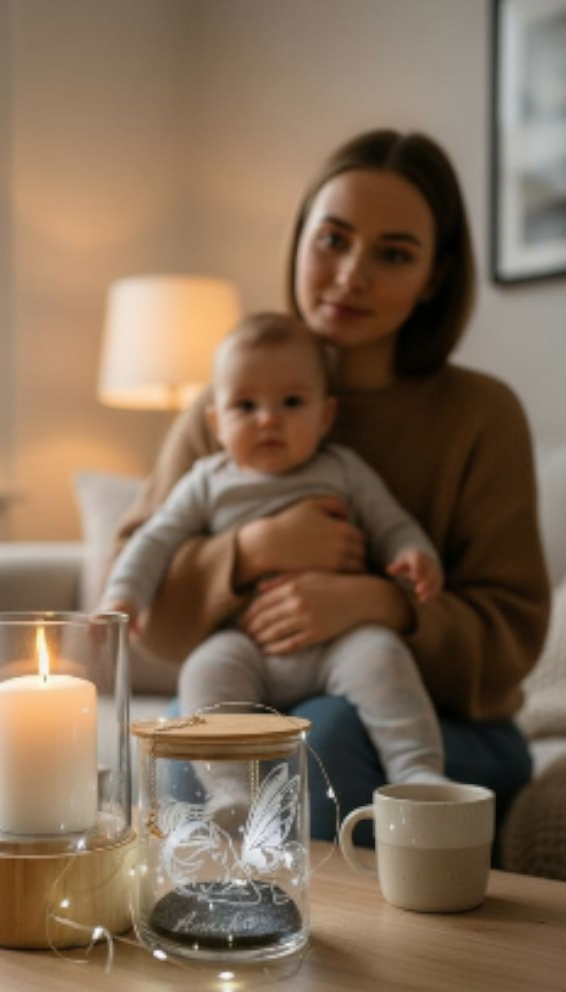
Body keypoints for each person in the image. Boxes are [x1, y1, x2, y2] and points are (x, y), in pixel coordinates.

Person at [111, 129, 550, 849]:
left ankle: (331, 953)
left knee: (319, 735)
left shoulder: (480, 416)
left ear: (434, 277)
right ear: (299, 241)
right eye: (333, 240)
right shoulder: (223, 410)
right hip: (264, 688)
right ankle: (212, 933)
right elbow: (138, 609)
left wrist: (384, 601)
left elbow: (513, 639)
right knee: (203, 737)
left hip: (452, 732)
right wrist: (249, 551)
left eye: (394, 254)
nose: (351, 274)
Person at [101, 311, 446, 791]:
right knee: (204, 673)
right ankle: (229, 792)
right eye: (245, 406)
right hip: (245, 642)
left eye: (291, 402)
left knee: (384, 658)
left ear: (326, 416)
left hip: (340, 641)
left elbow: (391, 523)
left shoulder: (343, 470)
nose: (268, 419)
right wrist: (124, 596)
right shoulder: (209, 480)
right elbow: (155, 539)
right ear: (217, 423)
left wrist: (413, 554)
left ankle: (418, 774)